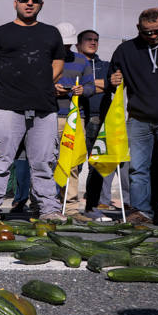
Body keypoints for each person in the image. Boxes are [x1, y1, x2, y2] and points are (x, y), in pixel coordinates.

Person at [0, 0, 67, 221]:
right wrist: (1, 99)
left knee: (43, 162)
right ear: (15, 3)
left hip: (44, 109)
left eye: (35, 0)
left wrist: (40, 87)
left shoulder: (51, 33)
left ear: (41, 5)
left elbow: (58, 66)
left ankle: (48, 209)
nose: (29, 3)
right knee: (1, 160)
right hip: (8, 109)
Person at [108, 8, 158, 225]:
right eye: (146, 32)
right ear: (138, 28)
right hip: (138, 118)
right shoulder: (126, 50)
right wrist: (113, 79)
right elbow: (112, 76)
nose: (152, 36)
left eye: (157, 31)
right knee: (137, 168)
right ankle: (141, 211)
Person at [73, 29, 113, 218]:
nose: (93, 42)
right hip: (78, 117)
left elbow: (112, 84)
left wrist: (88, 85)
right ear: (78, 44)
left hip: (101, 119)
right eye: (88, 39)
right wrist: (98, 84)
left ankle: (91, 206)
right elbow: (72, 84)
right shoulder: (73, 64)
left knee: (97, 164)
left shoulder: (105, 65)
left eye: (96, 39)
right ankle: (67, 205)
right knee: (74, 164)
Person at [53, 22, 90, 215]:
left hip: (75, 117)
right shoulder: (45, 58)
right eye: (63, 44)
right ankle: (45, 204)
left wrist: (83, 90)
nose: (66, 48)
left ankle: (71, 206)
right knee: (45, 161)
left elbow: (91, 86)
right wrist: (51, 89)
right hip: (49, 116)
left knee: (72, 163)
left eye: (69, 44)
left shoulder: (82, 60)